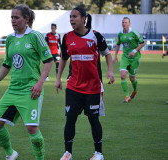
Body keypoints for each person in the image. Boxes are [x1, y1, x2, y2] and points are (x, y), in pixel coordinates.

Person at [0, 4, 53, 160]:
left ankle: (40, 158)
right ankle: (10, 153)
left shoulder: (35, 36)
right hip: (13, 90)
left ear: (26, 19)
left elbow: (48, 60)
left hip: (30, 90)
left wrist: (40, 83)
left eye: (16, 17)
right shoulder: (10, 39)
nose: (13, 20)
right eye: (11, 17)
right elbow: (7, 63)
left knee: (32, 128)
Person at [55, 6, 115, 160]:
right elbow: (63, 58)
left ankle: (98, 153)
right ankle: (67, 153)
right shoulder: (67, 37)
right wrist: (58, 78)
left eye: (74, 16)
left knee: (93, 120)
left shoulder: (96, 36)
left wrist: (110, 71)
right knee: (70, 119)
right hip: (73, 87)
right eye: (70, 17)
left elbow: (108, 54)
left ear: (83, 18)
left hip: (93, 88)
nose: (71, 20)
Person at [113, 17, 145, 103]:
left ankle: (135, 90)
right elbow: (118, 44)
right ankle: (127, 96)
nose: (124, 24)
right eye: (123, 22)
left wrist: (134, 51)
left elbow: (142, 43)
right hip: (125, 57)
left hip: (135, 58)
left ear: (129, 24)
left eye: (126, 22)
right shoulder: (120, 33)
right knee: (122, 75)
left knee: (132, 78)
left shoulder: (134, 32)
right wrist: (115, 55)